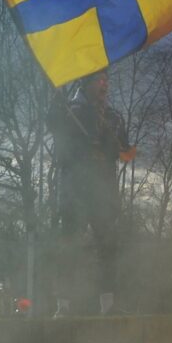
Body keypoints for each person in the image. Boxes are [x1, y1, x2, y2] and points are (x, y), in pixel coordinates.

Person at [48, 71, 135, 316]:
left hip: (103, 191)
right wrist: (57, 95)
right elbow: (52, 123)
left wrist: (125, 150)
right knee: (69, 248)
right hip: (75, 190)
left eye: (107, 80)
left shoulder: (113, 117)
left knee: (108, 248)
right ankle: (62, 307)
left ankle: (109, 305)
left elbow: (122, 147)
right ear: (86, 84)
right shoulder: (70, 111)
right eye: (100, 80)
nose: (105, 84)